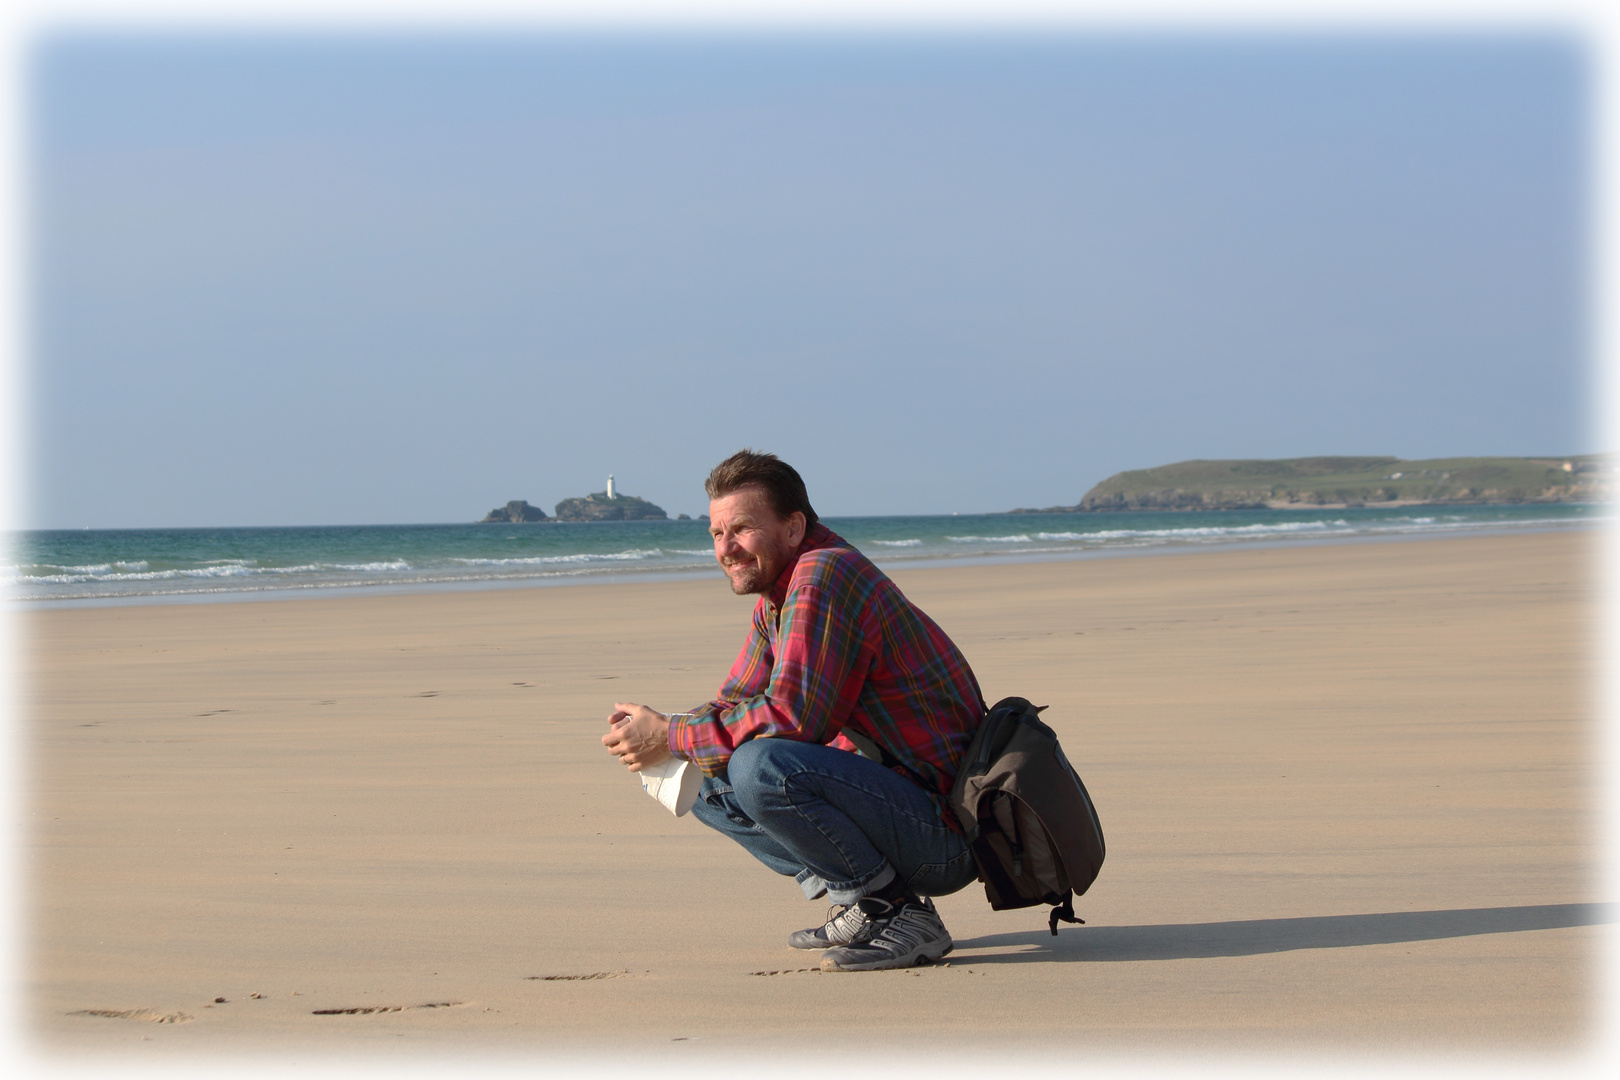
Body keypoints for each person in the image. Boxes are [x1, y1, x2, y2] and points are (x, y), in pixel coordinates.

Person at [602, 449, 987, 972]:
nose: (726, 549)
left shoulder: (824, 576)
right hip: (896, 805)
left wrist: (672, 733)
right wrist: (655, 733)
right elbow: (735, 702)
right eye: (717, 533)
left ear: (793, 526)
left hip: (946, 831)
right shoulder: (778, 597)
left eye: (741, 529)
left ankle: (894, 909)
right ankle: (866, 901)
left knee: (757, 765)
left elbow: (794, 716)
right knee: (699, 765)